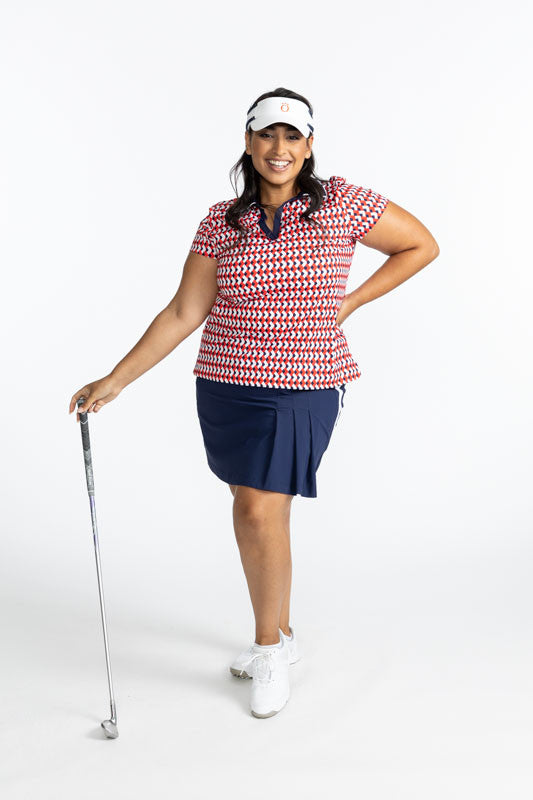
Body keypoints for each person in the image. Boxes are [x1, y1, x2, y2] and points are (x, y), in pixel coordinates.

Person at [68, 87, 439, 719]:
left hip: (304, 383)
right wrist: (116, 379)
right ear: (248, 141)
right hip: (226, 382)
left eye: (293, 137)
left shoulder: (344, 203)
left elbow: (421, 245)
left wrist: (347, 304)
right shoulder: (221, 220)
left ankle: (267, 647)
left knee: (259, 513)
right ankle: (283, 632)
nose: (279, 148)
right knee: (254, 509)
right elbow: (186, 310)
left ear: (309, 146)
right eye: (268, 134)